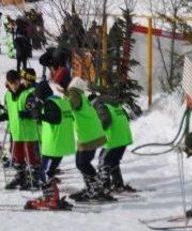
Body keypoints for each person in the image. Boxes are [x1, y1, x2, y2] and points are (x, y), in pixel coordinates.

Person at [26, 68, 76, 210]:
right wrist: (40, 115)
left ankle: (51, 198)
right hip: (62, 143)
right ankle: (50, 196)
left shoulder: (50, 104)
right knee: (48, 172)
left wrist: (40, 116)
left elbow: (54, 118)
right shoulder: (61, 102)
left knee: (44, 173)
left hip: (54, 144)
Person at [60, 73, 112, 201]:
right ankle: (92, 187)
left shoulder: (75, 94)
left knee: (82, 163)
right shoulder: (81, 95)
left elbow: (70, 105)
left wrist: (59, 105)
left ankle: (95, 188)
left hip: (88, 136)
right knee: (81, 163)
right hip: (90, 134)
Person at [1, 69, 40, 190]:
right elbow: (8, 112)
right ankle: (21, 177)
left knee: (31, 158)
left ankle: (34, 179)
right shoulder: (7, 95)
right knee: (17, 157)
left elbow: (35, 112)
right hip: (16, 133)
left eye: (16, 82)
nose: (14, 85)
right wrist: (2, 116)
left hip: (29, 133)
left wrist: (27, 114)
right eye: (12, 83)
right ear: (8, 82)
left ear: (20, 81)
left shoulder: (27, 94)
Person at [92, 93, 135, 192]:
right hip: (124, 138)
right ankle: (118, 184)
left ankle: (104, 187)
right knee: (113, 162)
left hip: (113, 140)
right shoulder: (114, 104)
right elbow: (127, 118)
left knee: (103, 162)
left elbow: (105, 121)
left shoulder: (99, 105)